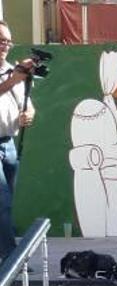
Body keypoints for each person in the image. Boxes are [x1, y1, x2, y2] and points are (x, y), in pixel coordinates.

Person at [0, 21, 36, 260]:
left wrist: (28, 115)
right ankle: (11, 256)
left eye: (8, 41)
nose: (6, 46)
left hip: (9, 143)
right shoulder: (12, 74)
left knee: (7, 203)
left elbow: (29, 105)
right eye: (1, 40)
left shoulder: (11, 69)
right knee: (1, 201)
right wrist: (15, 78)